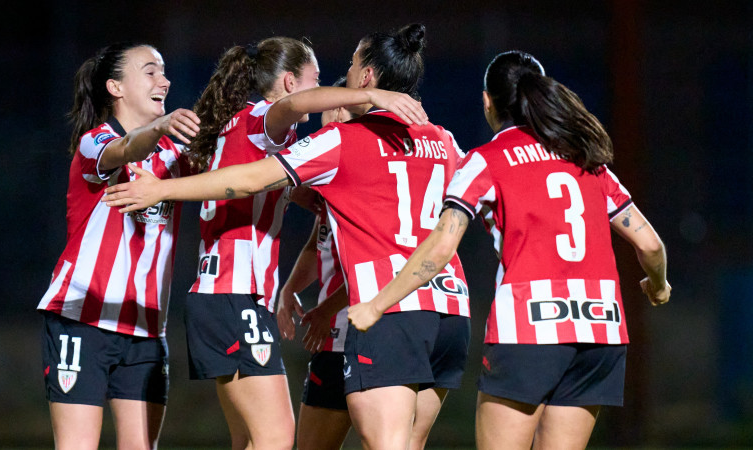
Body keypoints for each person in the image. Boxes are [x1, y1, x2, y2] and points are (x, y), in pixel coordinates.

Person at [101, 23, 469, 450]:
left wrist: (166, 190)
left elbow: (259, 180)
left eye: (351, 66)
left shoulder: (331, 140)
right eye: (318, 80)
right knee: (280, 437)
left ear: (367, 75)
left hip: (364, 307)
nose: (332, 86)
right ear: (291, 82)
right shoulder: (442, 140)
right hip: (443, 307)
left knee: (263, 439)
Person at [347, 50, 672, 450]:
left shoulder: (486, 160)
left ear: (488, 101)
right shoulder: (587, 159)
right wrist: (658, 285)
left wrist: (377, 305)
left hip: (529, 326)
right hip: (600, 329)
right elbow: (650, 245)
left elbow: (442, 245)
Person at [37, 42, 201, 449]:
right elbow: (126, 149)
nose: (164, 81)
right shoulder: (95, 142)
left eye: (164, 71)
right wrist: (160, 128)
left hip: (146, 328)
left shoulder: (176, 153)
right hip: (83, 318)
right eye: (150, 71)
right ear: (116, 87)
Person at [276, 76, 355, 450]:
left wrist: (327, 309)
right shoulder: (329, 180)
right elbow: (315, 245)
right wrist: (289, 288)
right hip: (332, 337)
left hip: (365, 330)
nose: (330, 115)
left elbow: (381, 263)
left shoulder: (359, 170)